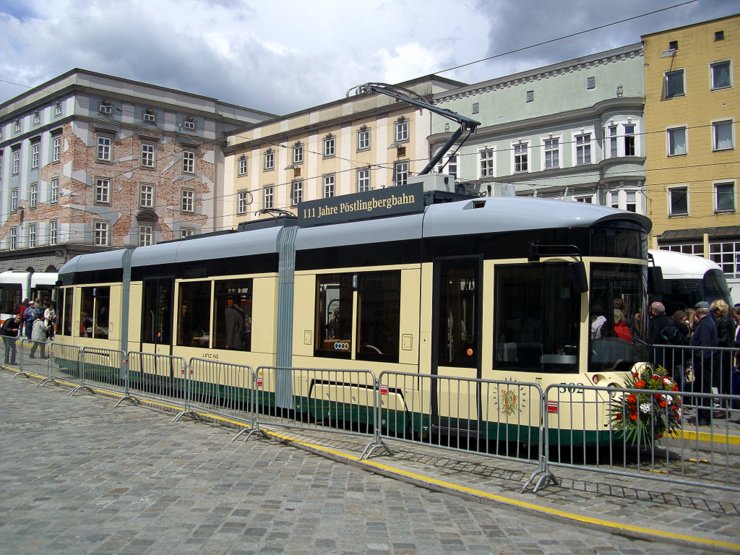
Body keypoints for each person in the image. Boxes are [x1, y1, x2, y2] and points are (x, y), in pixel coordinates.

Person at [690, 301, 718, 426]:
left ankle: (704, 417)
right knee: (702, 389)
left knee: (703, 390)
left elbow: (704, 346)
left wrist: (700, 360)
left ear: (698, 311)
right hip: (703, 362)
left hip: (703, 364)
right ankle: (702, 416)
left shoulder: (705, 324)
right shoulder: (706, 322)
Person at [710, 299, 736, 397]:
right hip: (726, 354)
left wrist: (712, 341)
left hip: (722, 355)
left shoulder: (723, 321)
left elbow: (724, 339)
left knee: (719, 379)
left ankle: (720, 402)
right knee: (725, 379)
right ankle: (725, 404)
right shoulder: (728, 320)